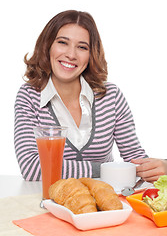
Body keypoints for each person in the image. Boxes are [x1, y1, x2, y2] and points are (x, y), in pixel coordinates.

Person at [14, 10, 167, 182]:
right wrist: (107, 170)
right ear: (47, 46)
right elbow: (31, 167)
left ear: (91, 54)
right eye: (63, 42)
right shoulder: (29, 96)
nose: (71, 55)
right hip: (51, 200)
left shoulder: (111, 96)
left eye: (82, 47)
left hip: (103, 203)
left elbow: (136, 162)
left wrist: (163, 166)